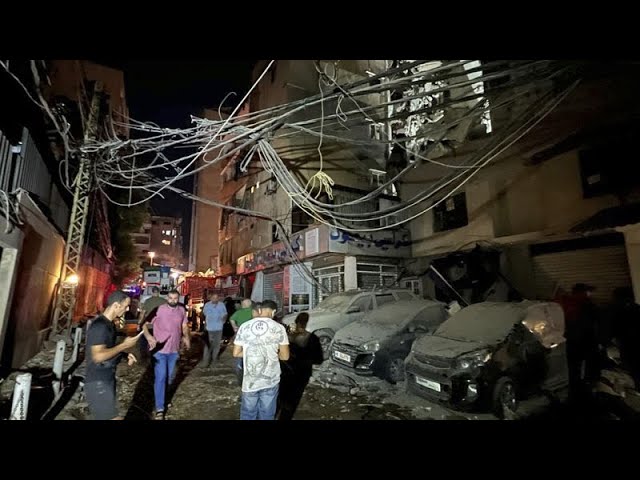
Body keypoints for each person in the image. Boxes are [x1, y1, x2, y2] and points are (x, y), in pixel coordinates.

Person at [84, 291, 142, 420]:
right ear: (116, 305)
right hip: (98, 382)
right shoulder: (100, 326)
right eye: (126, 306)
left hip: (106, 379)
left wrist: (123, 355)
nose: (127, 309)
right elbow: (98, 356)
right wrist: (123, 346)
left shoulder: (109, 324)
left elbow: (107, 350)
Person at [233, 300, 289, 420]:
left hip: (250, 381)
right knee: (267, 414)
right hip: (270, 379)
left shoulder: (244, 326)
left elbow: (236, 353)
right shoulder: (279, 328)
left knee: (248, 414)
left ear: (259, 310)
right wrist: (271, 354)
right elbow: (285, 356)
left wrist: (251, 351)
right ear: (273, 312)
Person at [143, 289, 191, 420]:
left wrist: (186, 337)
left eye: (175, 298)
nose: (173, 301)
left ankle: (163, 398)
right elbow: (143, 324)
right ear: (167, 298)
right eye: (170, 298)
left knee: (170, 377)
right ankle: (159, 408)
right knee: (161, 377)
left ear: (178, 298)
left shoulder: (181, 310)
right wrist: (149, 337)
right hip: (159, 350)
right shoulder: (159, 310)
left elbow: (184, 325)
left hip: (174, 350)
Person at [558, 283, 600, 404]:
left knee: (573, 367)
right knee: (589, 366)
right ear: (582, 292)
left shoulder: (565, 303)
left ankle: (574, 390)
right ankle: (586, 391)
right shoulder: (586, 304)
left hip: (570, 340)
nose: (590, 294)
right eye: (588, 291)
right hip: (585, 340)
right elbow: (595, 321)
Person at [277, 312, 323, 420]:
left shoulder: (287, 337)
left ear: (295, 321)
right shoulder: (312, 339)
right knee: (291, 403)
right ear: (307, 323)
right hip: (301, 376)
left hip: (284, 373)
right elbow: (319, 359)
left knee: (279, 399)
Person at [137, 287, 166, 362]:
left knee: (144, 340)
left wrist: (139, 324)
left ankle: (144, 357)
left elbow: (142, 314)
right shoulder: (164, 301)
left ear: (152, 292)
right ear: (158, 292)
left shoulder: (147, 301)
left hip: (148, 326)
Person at [199, 293, 227, 368]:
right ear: (211, 298)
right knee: (208, 345)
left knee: (217, 345)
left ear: (218, 298)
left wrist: (223, 320)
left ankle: (214, 360)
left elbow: (225, 314)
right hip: (209, 328)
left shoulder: (221, 305)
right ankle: (206, 361)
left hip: (218, 328)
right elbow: (204, 314)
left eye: (216, 297)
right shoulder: (207, 305)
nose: (215, 299)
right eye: (213, 298)